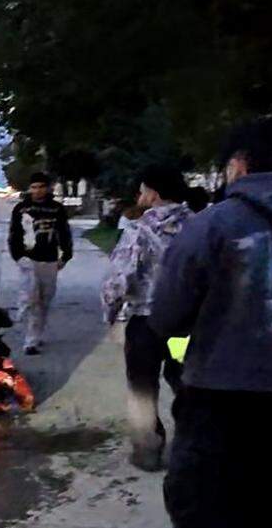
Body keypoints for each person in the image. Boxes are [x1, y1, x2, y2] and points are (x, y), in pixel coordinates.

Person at [150, 118, 272, 528]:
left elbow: (167, 316)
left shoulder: (213, 225)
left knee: (203, 507)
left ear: (241, 164)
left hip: (219, 398)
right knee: (268, 505)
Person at [100, 165, 191, 471]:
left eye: (141, 191)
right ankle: (192, 446)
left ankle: (148, 451)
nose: (139, 196)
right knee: (186, 382)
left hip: (146, 325)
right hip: (185, 327)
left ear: (153, 194)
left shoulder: (139, 230)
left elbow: (120, 279)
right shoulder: (201, 225)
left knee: (142, 387)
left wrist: (110, 313)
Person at [9, 172, 73, 355]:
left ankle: (37, 333)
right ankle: (31, 340)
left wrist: (66, 255)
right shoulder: (21, 209)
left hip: (50, 259)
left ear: (48, 188)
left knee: (45, 299)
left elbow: (64, 233)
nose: (37, 191)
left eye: (41, 187)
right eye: (34, 187)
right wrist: (18, 256)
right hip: (29, 259)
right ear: (30, 189)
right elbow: (14, 234)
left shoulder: (56, 209)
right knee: (32, 298)